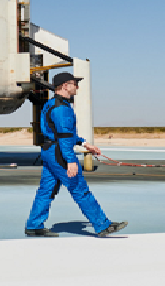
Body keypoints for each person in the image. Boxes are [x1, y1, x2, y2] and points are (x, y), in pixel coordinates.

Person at [24, 72, 127, 238]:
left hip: (50, 152)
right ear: (65, 85)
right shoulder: (62, 109)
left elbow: (65, 134)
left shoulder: (52, 104)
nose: (77, 86)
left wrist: (85, 144)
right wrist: (70, 161)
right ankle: (102, 225)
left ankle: (34, 225)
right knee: (79, 188)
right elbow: (64, 137)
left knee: (46, 190)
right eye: (74, 83)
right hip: (59, 154)